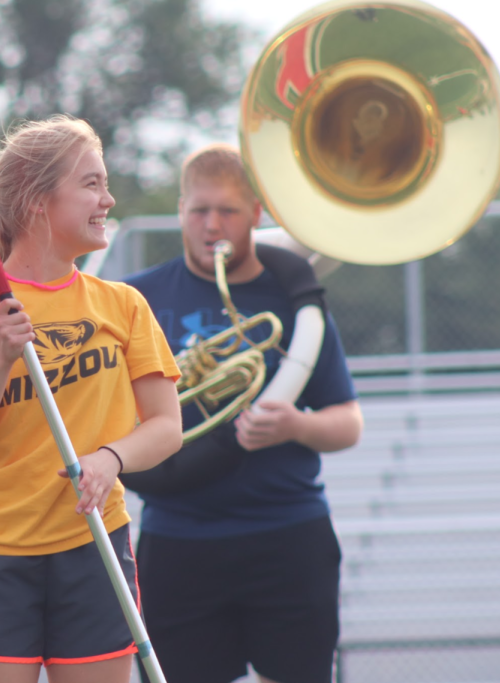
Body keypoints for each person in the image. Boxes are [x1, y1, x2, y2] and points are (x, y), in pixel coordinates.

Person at [0, 116, 183, 683]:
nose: (108, 199)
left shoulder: (124, 305)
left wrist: (110, 459)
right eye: (91, 184)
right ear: (39, 201)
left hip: (93, 545)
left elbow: (166, 426)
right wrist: (0, 358)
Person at [122, 144, 363, 683]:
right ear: (180, 211)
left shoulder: (296, 302)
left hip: (288, 535)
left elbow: (348, 421)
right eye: (198, 211)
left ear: (256, 214)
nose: (212, 226)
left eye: (227, 211)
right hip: (176, 539)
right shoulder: (137, 298)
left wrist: (295, 426)